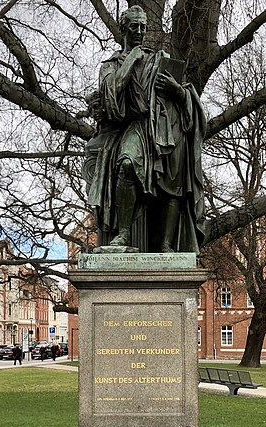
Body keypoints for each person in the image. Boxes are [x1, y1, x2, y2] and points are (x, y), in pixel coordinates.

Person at [85, 5, 206, 253]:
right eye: (134, 26)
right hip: (133, 126)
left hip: (163, 127)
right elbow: (111, 92)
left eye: (143, 26)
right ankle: (124, 234)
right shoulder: (111, 65)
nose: (140, 31)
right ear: (123, 29)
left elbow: (189, 102)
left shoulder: (158, 59)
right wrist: (132, 59)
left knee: (175, 174)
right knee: (127, 163)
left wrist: (178, 91)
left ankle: (166, 245)